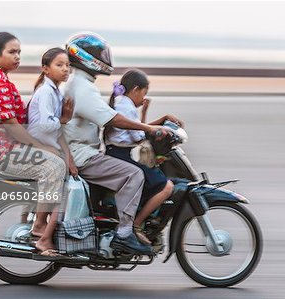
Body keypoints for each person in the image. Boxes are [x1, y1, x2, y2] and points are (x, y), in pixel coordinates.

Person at [62, 32, 169, 255]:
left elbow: (108, 116)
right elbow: (112, 119)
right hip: (82, 155)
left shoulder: (80, 83)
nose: (104, 58)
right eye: (100, 55)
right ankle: (124, 233)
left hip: (82, 151)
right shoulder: (82, 86)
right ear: (85, 57)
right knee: (134, 175)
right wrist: (148, 128)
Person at [0, 32, 67, 257]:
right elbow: (11, 125)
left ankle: (29, 221)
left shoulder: (0, 77)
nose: (17, 56)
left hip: (5, 147)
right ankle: (39, 227)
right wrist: (42, 146)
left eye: (19, 52)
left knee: (50, 164)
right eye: (12, 52)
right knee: (54, 166)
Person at [104, 69, 184, 245]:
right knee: (166, 187)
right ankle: (136, 225)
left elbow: (137, 127)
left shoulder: (122, 102)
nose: (143, 97)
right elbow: (139, 135)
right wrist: (161, 130)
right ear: (135, 90)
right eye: (144, 93)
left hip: (116, 154)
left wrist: (160, 119)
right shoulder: (126, 105)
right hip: (120, 157)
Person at [25, 47, 77, 255]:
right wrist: (64, 118)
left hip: (49, 146)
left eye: (67, 66)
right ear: (45, 69)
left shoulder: (56, 92)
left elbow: (58, 132)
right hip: (39, 148)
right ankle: (40, 227)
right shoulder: (46, 92)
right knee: (63, 189)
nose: (65, 69)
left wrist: (69, 156)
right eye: (59, 65)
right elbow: (48, 126)